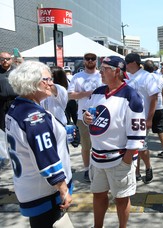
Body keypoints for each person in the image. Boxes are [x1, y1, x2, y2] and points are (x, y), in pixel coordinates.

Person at [6, 61, 73, 227]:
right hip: (45, 193)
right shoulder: (34, 116)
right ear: (32, 82)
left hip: (30, 187)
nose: (51, 83)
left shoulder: (17, 106)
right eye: (47, 79)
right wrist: (62, 188)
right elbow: (45, 156)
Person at [82, 56, 145, 228]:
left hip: (119, 159)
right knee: (98, 195)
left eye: (105, 68)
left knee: (121, 199)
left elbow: (138, 133)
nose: (100, 72)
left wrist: (127, 159)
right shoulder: (97, 92)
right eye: (101, 68)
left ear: (117, 71)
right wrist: (86, 118)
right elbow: (86, 114)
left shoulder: (132, 96)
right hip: (97, 157)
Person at [125, 53, 162, 184]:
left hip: (142, 118)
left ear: (134, 63)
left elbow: (154, 98)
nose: (125, 65)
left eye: (127, 62)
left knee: (141, 146)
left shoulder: (147, 77)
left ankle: (148, 167)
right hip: (127, 119)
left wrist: (149, 119)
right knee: (131, 146)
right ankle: (136, 172)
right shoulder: (126, 76)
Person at [68, 52, 102, 182]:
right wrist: (85, 93)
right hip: (82, 117)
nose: (90, 61)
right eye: (87, 59)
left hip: (101, 115)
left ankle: (98, 168)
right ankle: (87, 169)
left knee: (99, 145)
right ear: (84, 61)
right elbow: (70, 95)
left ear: (96, 61)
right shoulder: (77, 77)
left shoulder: (101, 76)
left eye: (93, 59)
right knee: (86, 145)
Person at [143, 60, 163, 160]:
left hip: (147, 107)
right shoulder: (160, 78)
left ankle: (141, 149)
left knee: (144, 130)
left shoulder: (143, 78)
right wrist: (162, 103)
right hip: (158, 107)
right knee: (160, 129)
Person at [0, 52, 18, 130]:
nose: (5, 61)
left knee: (15, 123)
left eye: (7, 59)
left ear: (11, 60)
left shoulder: (17, 71)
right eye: (2, 59)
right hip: (2, 103)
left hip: (15, 101)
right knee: (3, 125)